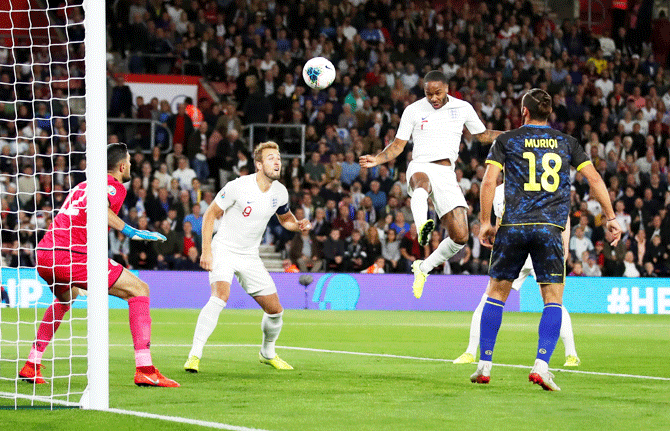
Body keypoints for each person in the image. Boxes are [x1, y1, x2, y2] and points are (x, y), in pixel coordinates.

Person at [471, 88, 621, 391]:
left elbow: (489, 180)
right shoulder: (567, 143)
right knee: (552, 299)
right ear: (548, 113)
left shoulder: (507, 139)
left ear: (524, 112)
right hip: (550, 228)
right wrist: (611, 216)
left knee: (496, 294)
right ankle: (541, 366)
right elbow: (594, 179)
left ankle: (484, 365)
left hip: (512, 226)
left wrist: (486, 222)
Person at [20, 143, 179, 387]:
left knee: (66, 298)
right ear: (122, 166)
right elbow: (100, 208)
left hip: (45, 254)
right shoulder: (114, 186)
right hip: (72, 255)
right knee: (140, 290)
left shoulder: (81, 185)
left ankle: (32, 363)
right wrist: (132, 231)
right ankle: (145, 369)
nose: (130, 168)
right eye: (129, 163)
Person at [359, 70, 502, 298]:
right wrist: (378, 158)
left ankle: (423, 267)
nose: (433, 98)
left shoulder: (462, 107)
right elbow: (398, 145)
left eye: (438, 93)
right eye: (428, 94)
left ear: (447, 89)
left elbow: (483, 135)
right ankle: (422, 228)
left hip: (446, 173)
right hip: (420, 165)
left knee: (461, 237)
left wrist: (515, 135)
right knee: (421, 185)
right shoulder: (413, 110)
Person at [184, 142, 311, 373]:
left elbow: (286, 219)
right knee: (220, 296)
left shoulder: (280, 192)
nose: (277, 162)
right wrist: (206, 251)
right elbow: (210, 214)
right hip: (224, 249)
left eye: (279, 158)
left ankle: (267, 353)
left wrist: (298, 225)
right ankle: (194, 354)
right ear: (259, 164)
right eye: (271, 158)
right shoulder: (238, 186)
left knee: (275, 311)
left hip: (250, 256)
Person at [453, 184, 581, 368]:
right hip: (514, 251)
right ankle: (471, 351)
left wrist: (565, 245)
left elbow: (564, 215)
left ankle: (571, 354)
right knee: (488, 299)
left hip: (540, 249)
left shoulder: (540, 181)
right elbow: (499, 223)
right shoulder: (498, 191)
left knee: (553, 301)